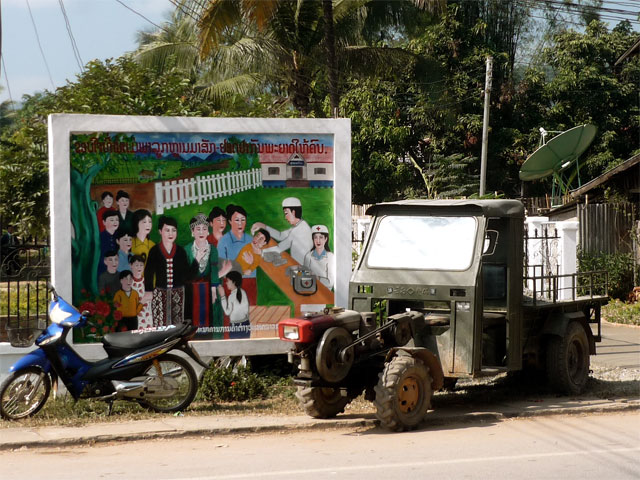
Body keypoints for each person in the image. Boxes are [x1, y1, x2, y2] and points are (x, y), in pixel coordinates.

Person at [184, 213, 232, 336]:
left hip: (209, 289)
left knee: (212, 317)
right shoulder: (187, 249)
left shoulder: (212, 249)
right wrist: (197, 259)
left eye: (204, 229)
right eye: (198, 229)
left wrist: (214, 289)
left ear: (208, 232)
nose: (201, 232)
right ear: (192, 231)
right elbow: (187, 274)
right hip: (192, 291)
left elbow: (214, 270)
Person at [144, 216, 193, 326]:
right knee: (160, 322)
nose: (171, 234)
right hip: (160, 293)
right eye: (167, 230)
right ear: (160, 231)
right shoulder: (154, 251)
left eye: (173, 230)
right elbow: (149, 271)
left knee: (177, 322)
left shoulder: (181, 251)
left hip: (178, 293)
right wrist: (148, 290)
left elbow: (186, 273)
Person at [252, 197, 312, 266]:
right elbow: (280, 236)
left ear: (293, 212)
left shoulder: (299, 230)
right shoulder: (299, 226)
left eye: (286, 213)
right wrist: (262, 225)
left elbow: (279, 248)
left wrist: (261, 252)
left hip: (303, 269)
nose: (285, 217)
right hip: (299, 266)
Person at [217, 204, 257, 304]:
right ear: (230, 221)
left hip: (249, 282)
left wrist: (252, 264)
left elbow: (258, 261)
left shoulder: (250, 240)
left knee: (251, 313)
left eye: (243, 220)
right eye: (237, 220)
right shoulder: (224, 241)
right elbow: (222, 268)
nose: (240, 223)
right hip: (231, 283)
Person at [217, 271, 250, 339]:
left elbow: (227, 312)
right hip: (245, 324)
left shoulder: (231, 297)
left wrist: (223, 296)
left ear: (234, 282)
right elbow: (246, 311)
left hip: (235, 326)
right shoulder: (243, 292)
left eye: (228, 281)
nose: (226, 283)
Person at [303, 224, 336, 290]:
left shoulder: (331, 257)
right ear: (313, 239)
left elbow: (331, 282)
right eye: (315, 237)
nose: (318, 241)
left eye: (321, 237)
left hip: (325, 293)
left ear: (326, 239)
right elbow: (305, 277)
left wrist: (316, 278)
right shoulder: (308, 256)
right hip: (310, 292)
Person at [129, 254, 153, 329]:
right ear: (131, 265)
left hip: (148, 317)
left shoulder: (148, 282)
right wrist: (143, 300)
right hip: (134, 318)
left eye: (141, 265)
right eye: (136, 265)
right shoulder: (128, 283)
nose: (139, 268)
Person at [98, 211, 120, 277]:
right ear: (104, 222)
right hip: (102, 271)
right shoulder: (99, 238)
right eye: (112, 220)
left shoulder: (120, 236)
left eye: (117, 220)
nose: (115, 222)